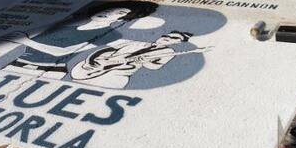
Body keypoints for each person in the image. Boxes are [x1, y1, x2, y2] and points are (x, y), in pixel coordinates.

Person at [0, 0, 158, 79]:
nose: (110, 13)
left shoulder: (111, 34)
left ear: (125, 18)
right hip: (15, 64)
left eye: (120, 12)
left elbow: (63, 52)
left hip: (47, 71)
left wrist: (25, 41)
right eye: (110, 9)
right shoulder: (69, 24)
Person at [70, 31, 209, 89]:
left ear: (178, 43)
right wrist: (92, 61)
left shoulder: (167, 52)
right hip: (96, 65)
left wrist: (144, 61)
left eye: (174, 38)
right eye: (167, 35)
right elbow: (106, 49)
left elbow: (154, 67)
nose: (167, 38)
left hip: (118, 75)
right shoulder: (135, 42)